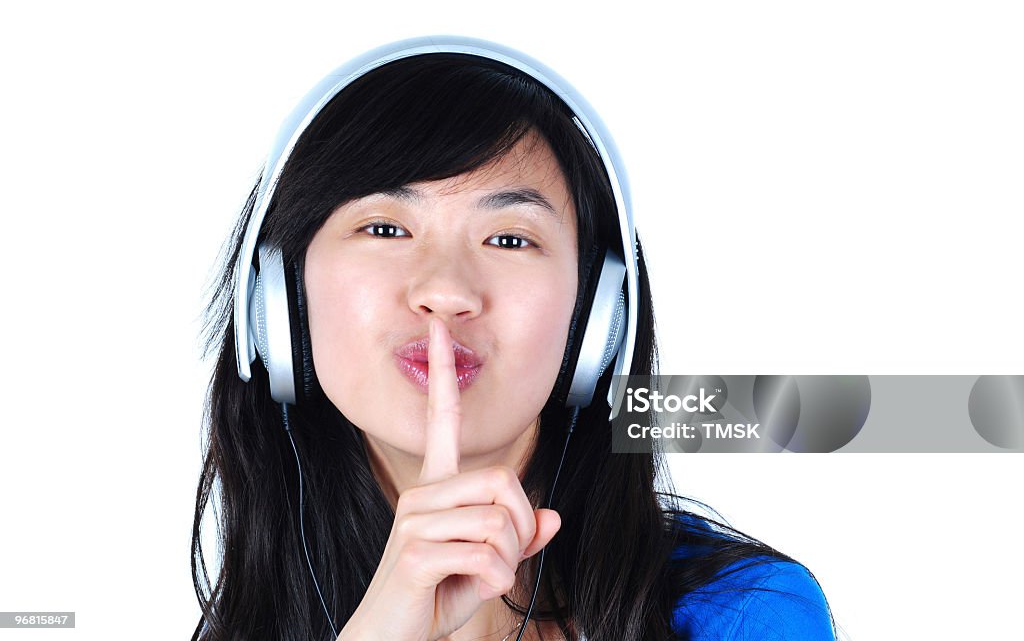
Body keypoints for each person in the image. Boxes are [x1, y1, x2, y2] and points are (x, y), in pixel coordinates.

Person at [190, 37, 837, 641]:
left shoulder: (746, 612)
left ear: (595, 320)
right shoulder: (256, 619)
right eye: (385, 229)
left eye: (510, 238)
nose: (445, 291)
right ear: (277, 302)